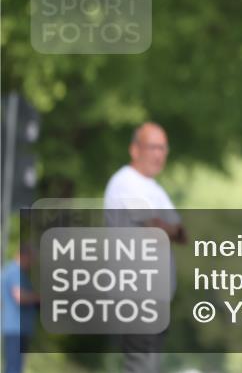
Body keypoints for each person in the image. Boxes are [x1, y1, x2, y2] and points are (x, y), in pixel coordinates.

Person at [103, 122, 186, 373]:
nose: (159, 154)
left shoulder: (155, 189)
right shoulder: (125, 182)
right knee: (141, 367)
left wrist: (168, 228)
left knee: (149, 367)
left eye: (163, 148)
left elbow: (181, 233)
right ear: (134, 149)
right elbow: (156, 224)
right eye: (152, 147)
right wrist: (167, 227)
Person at [1, 246, 40, 373]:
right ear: (24, 256)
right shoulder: (14, 271)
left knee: (16, 366)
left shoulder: (20, 273)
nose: (32, 263)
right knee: (14, 368)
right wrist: (38, 298)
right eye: (31, 259)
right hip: (15, 328)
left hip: (20, 328)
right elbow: (19, 297)